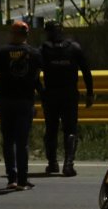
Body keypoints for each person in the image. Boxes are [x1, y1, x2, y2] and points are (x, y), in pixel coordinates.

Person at [0, 20, 43, 190]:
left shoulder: (1, 51)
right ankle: (22, 180)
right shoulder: (34, 53)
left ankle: (11, 178)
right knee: (22, 142)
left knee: (8, 141)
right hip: (25, 101)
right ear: (27, 35)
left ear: (12, 33)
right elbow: (38, 77)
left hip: (5, 100)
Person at [40, 20, 94, 177]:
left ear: (48, 32)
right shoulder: (74, 48)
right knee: (70, 129)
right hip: (69, 95)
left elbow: (34, 72)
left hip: (50, 95)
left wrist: (39, 90)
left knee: (51, 129)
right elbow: (86, 71)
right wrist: (90, 93)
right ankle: (68, 165)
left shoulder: (43, 50)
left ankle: (52, 164)